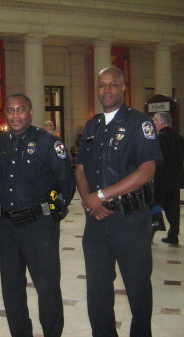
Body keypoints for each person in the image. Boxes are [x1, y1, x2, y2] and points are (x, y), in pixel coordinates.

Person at [75, 67, 162, 337]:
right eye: (102, 85)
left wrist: (101, 195)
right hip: (97, 222)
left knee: (137, 288)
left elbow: (146, 171)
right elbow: (80, 169)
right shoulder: (92, 125)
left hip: (131, 220)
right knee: (98, 290)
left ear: (123, 88)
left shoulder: (140, 123)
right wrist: (90, 202)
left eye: (113, 85)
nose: (107, 90)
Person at [0, 94, 75, 337]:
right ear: (4, 113)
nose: (15, 115)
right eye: (10, 110)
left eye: (20, 110)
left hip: (39, 227)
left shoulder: (48, 142)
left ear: (30, 111)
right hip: (7, 226)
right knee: (12, 288)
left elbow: (66, 183)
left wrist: (50, 216)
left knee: (47, 287)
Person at [152, 112, 183, 245]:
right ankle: (173, 235)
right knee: (173, 208)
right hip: (175, 179)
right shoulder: (179, 138)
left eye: (155, 119)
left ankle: (152, 230)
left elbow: (157, 160)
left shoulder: (159, 139)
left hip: (161, 179)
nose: (153, 122)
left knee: (154, 204)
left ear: (162, 122)